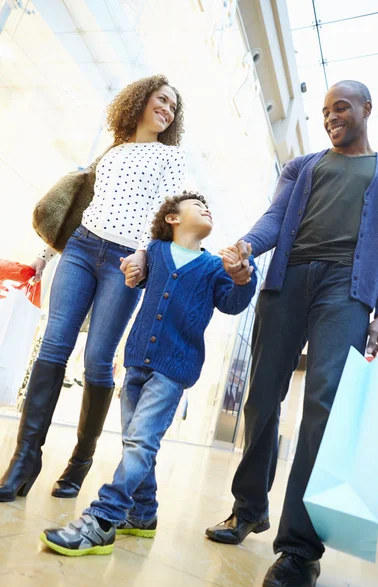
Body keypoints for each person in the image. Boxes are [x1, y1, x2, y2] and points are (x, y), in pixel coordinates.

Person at [206, 80, 378, 587]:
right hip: (288, 280)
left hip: (346, 289)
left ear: (366, 108)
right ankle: (249, 510)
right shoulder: (304, 165)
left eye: (341, 108)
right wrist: (247, 243)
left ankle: (299, 552)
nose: (332, 117)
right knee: (261, 397)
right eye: (325, 111)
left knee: (322, 404)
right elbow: (275, 218)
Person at [38, 191, 257, 556]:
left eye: (209, 207)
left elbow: (232, 304)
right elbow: (135, 273)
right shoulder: (154, 251)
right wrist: (132, 267)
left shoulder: (214, 267)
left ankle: (103, 519)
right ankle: (143, 514)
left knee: (141, 442)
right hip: (137, 359)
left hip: (174, 368)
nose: (206, 209)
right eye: (197, 206)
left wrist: (242, 278)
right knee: (136, 442)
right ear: (172, 218)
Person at [0, 74, 186, 502]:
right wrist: (43, 257)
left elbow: (168, 215)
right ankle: (25, 458)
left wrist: (144, 253)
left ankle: (79, 463)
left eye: (173, 107)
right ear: (139, 101)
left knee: (99, 359)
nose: (167, 110)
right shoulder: (112, 152)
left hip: (125, 263)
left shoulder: (169, 158)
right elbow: (78, 210)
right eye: (161, 100)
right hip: (82, 249)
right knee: (52, 346)